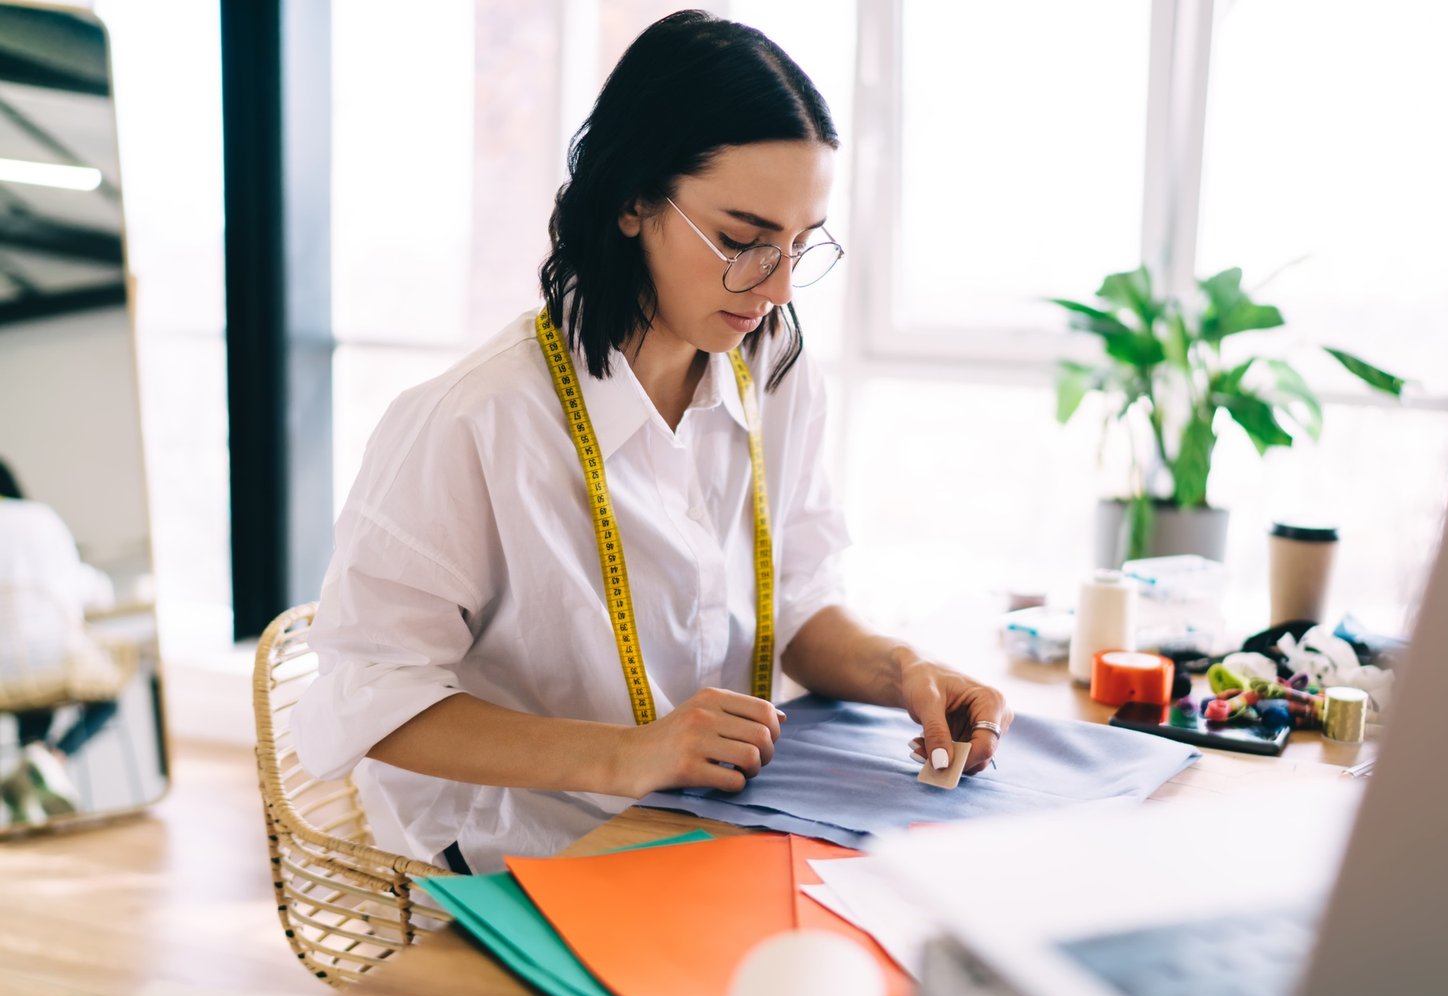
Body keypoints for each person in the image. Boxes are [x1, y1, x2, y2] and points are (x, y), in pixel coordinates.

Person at [293, 10, 1012, 874]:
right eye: (745, 242)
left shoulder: (772, 366)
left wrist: (905, 671)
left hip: (707, 828)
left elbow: (799, 609)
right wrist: (630, 754)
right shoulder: (470, 421)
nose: (779, 287)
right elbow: (369, 695)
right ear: (633, 199)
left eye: (799, 245)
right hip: (524, 853)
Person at [0, 458, 122, 825]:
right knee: (106, 700)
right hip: (54, 658)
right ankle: (51, 758)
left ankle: (27, 779)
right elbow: (78, 584)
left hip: (4, 671)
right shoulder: (40, 518)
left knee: (31, 700)